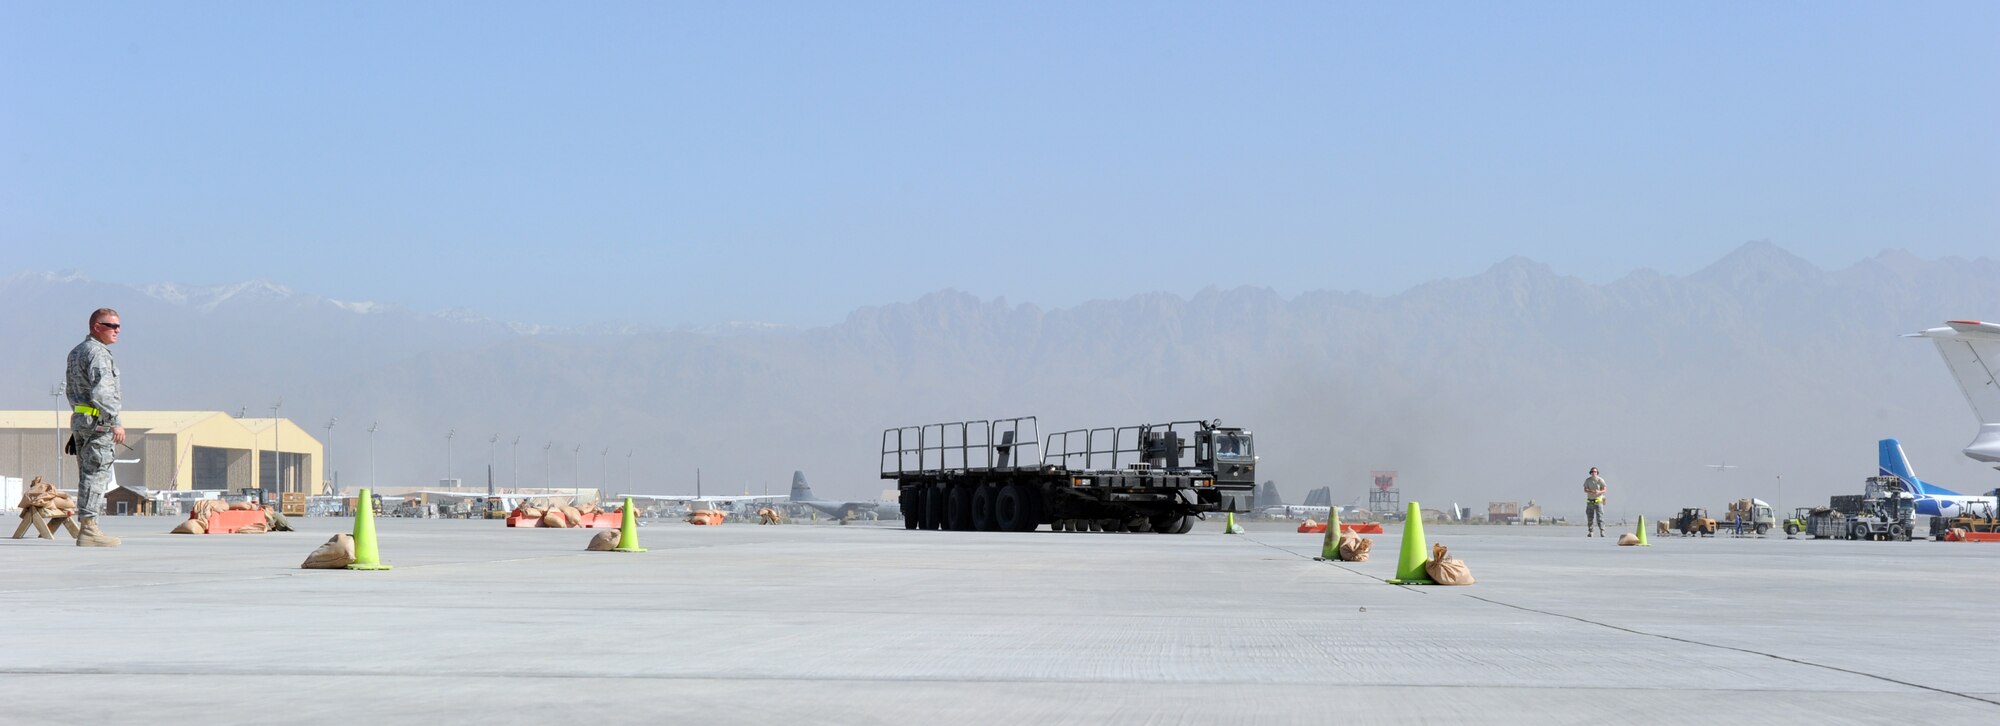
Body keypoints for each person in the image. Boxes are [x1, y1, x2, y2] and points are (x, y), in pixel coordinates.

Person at [66, 307, 125, 547]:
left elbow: (73, 389)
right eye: (111, 326)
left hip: (82, 419)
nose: (117, 331)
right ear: (96, 327)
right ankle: (89, 529)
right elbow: (103, 392)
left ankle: (88, 526)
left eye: (119, 326)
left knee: (86, 474)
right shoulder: (98, 353)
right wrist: (115, 421)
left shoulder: (76, 351)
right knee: (97, 473)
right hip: (97, 422)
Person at [1583, 467, 1608, 537]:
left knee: (1600, 517)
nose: (1594, 473)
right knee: (1590, 517)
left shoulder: (1600, 480)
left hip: (1598, 501)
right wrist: (1592, 491)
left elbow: (1605, 489)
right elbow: (1585, 489)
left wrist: (1599, 492)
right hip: (1590, 501)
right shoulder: (1588, 480)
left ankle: (1602, 531)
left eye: (1595, 472)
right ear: (1590, 473)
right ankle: (1591, 531)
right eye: (1592, 472)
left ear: (1597, 473)